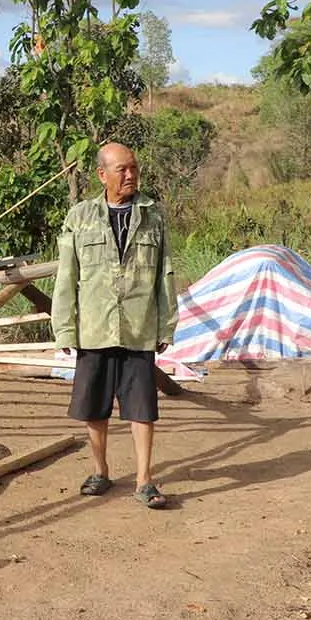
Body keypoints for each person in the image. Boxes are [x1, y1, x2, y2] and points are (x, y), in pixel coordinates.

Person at [52, 142, 177, 509]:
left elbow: (164, 275)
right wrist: (64, 328)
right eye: (122, 169)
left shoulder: (153, 215)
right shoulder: (80, 217)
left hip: (138, 326)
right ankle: (100, 471)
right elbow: (66, 277)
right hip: (95, 326)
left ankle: (144, 480)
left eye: (133, 168)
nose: (130, 175)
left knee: (142, 407)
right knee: (94, 406)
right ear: (101, 174)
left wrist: (166, 326)